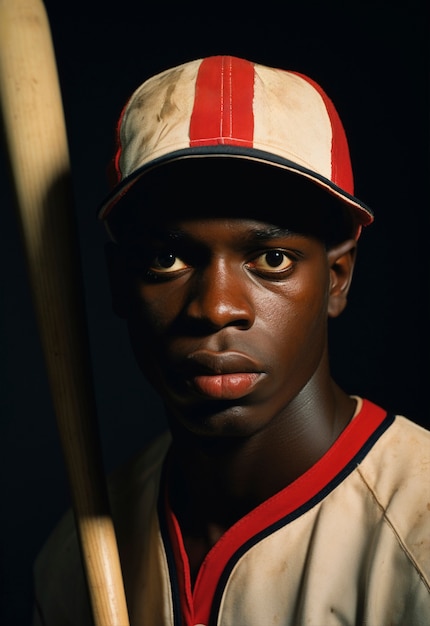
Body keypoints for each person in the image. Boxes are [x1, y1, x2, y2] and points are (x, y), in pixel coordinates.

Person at [33, 55, 430, 626]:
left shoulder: (416, 541)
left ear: (337, 279)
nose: (216, 307)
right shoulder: (75, 559)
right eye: (166, 259)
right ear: (120, 283)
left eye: (272, 259)